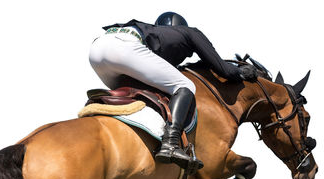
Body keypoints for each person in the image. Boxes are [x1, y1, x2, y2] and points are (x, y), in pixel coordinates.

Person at [89, 12, 257, 170]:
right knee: (185, 86)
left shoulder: (152, 33)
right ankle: (170, 143)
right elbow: (223, 69)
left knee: (134, 94)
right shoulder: (189, 32)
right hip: (124, 49)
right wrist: (241, 72)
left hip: (96, 51)